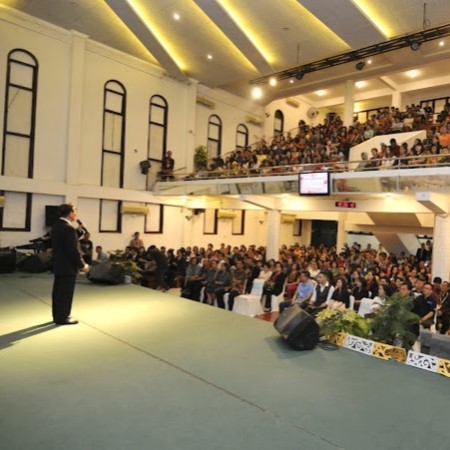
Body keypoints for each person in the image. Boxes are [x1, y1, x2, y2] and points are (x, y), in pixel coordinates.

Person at [51, 204, 87, 325]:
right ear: (70, 213)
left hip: (59, 264)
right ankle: (63, 317)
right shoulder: (68, 228)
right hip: (68, 266)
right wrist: (82, 264)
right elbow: (73, 249)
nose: (76, 214)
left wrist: (78, 232)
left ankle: (57, 315)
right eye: (75, 211)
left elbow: (66, 241)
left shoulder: (57, 226)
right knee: (66, 293)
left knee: (58, 292)